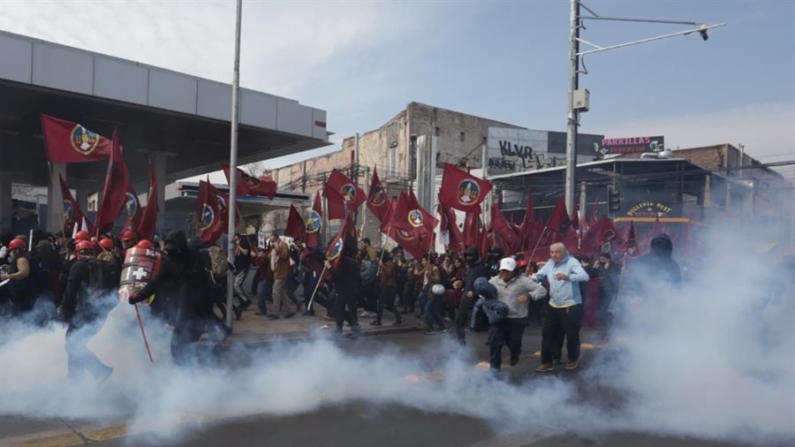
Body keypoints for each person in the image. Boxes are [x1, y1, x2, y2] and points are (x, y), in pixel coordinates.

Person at [128, 230, 219, 367]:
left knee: (181, 349)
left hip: (196, 310)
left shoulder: (194, 258)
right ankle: (191, 378)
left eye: (173, 250)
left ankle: (195, 378)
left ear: (181, 247)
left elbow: (196, 282)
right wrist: (139, 296)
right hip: (187, 310)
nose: (171, 253)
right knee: (179, 349)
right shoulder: (172, 262)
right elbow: (157, 282)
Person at [58, 240, 115, 381]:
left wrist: (65, 310)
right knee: (76, 344)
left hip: (83, 312)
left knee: (72, 344)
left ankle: (99, 370)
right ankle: (75, 379)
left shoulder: (78, 266)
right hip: (99, 312)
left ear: (77, 253)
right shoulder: (103, 265)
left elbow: (70, 291)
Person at [533, 243, 590, 372]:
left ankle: (572, 359)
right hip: (553, 304)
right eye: (552, 252)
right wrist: (531, 277)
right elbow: (540, 275)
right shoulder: (549, 263)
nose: (554, 254)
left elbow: (585, 277)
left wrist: (568, 277)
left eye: (557, 252)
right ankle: (546, 362)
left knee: (571, 335)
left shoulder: (572, 262)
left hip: (571, 304)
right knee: (547, 334)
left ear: (564, 252)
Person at [487, 258, 547, 372]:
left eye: (508, 271)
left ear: (514, 270)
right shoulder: (494, 280)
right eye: (503, 270)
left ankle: (515, 353)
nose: (505, 273)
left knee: (514, 343)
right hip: (499, 318)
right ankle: (494, 374)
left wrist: (529, 296)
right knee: (494, 344)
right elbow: (483, 292)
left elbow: (542, 290)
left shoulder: (523, 281)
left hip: (517, 319)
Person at [325, 236, 362, 336]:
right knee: (351, 309)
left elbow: (338, 276)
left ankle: (340, 328)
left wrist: (329, 268)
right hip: (353, 289)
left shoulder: (343, 262)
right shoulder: (354, 261)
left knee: (339, 308)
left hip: (343, 289)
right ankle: (354, 327)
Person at [454, 246, 489, 346]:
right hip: (465, 299)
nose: (468, 258)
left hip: (477, 300)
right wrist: (461, 283)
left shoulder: (482, 269)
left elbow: (485, 284)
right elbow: (468, 281)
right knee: (459, 321)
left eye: (470, 256)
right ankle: (461, 344)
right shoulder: (469, 268)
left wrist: (476, 293)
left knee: (480, 324)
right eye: (467, 256)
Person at [0, 238, 39, 315]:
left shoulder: (21, 259)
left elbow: (24, 273)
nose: (11, 253)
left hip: (22, 292)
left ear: (16, 250)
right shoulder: (27, 257)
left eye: (12, 250)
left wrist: (9, 276)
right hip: (26, 291)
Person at [372, 251, 403, 326]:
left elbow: (388, 273)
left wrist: (381, 265)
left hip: (389, 286)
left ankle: (378, 320)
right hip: (386, 285)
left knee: (381, 303)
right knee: (389, 304)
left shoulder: (389, 264)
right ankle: (399, 318)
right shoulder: (386, 264)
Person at [271, 235, 298, 318]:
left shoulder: (283, 245)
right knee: (282, 292)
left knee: (275, 291)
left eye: (274, 241)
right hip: (278, 271)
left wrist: (277, 249)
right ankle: (290, 310)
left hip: (282, 272)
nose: (273, 243)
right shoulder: (276, 247)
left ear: (277, 240)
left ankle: (275, 312)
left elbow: (285, 255)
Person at [232, 234, 253, 311]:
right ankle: (242, 301)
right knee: (237, 285)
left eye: (237, 239)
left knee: (236, 285)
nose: (236, 241)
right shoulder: (236, 246)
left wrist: (238, 246)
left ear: (240, 239)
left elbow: (245, 252)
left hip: (243, 267)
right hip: (238, 267)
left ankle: (246, 300)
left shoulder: (245, 244)